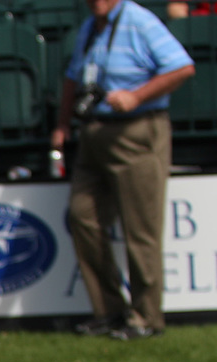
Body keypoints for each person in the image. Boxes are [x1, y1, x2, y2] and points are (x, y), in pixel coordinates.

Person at [53, 0, 194, 341]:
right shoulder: (91, 26)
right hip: (95, 132)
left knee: (140, 227)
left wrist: (136, 95)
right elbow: (74, 77)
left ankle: (146, 317)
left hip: (137, 130)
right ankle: (109, 310)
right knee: (82, 216)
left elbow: (181, 68)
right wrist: (62, 123)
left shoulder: (138, 20)